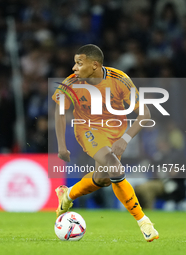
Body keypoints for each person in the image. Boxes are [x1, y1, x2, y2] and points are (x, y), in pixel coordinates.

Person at [52, 44, 159, 242]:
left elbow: (145, 114)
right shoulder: (70, 83)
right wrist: (61, 145)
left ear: (94, 65)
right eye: (74, 63)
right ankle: (144, 222)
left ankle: (67, 196)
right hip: (88, 131)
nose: (74, 68)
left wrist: (125, 138)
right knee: (113, 166)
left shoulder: (119, 80)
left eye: (78, 63)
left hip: (115, 133)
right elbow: (59, 113)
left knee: (104, 179)